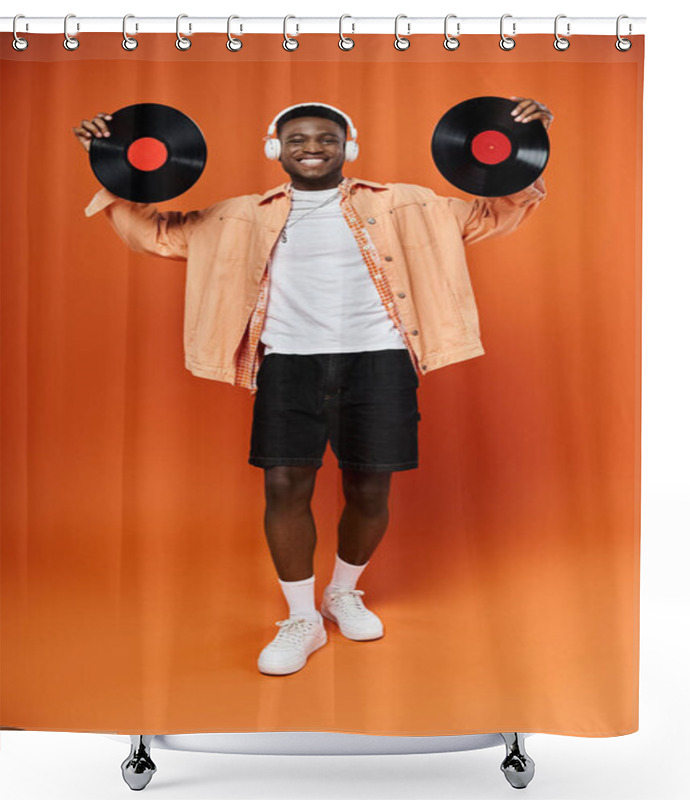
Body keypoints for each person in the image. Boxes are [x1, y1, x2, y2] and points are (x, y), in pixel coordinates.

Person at [74, 97, 552, 676]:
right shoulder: (240, 215)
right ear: (275, 148)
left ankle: (343, 591)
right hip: (290, 363)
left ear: (349, 147)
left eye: (325, 139)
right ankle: (302, 618)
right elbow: (156, 234)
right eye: (297, 139)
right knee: (284, 486)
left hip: (380, 359)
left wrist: (524, 150)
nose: (312, 148)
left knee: (371, 490)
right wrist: (107, 162)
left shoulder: (407, 203)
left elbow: (493, 212)